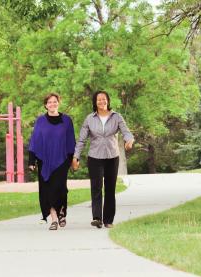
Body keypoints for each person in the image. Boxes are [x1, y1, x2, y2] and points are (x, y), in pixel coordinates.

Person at [72, 90, 134, 229]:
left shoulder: (117, 117)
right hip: (95, 157)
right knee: (96, 188)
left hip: (112, 157)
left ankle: (108, 220)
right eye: (99, 99)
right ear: (95, 102)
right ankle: (97, 218)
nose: (102, 101)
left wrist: (129, 140)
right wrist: (76, 156)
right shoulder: (89, 119)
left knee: (110, 189)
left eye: (104, 99)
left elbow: (126, 132)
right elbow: (81, 140)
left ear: (108, 101)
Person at [28, 93, 76, 230]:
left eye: (55, 101)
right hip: (45, 160)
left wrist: (73, 159)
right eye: (49, 102)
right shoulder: (40, 121)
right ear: (45, 105)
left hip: (62, 160)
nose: (52, 104)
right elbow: (34, 141)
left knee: (60, 188)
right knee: (47, 190)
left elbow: (71, 141)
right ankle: (54, 219)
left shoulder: (67, 120)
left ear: (58, 103)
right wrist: (31, 161)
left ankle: (62, 212)